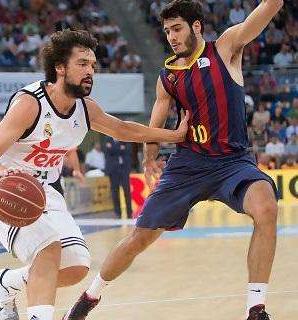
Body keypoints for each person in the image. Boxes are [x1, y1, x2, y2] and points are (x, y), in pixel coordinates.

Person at [67, 1, 282, 319]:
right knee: (141, 236)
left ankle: (256, 308)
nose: (171, 36)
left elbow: (272, 5)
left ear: (197, 27)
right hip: (188, 164)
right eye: (167, 31)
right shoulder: (168, 76)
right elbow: (157, 120)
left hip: (232, 161)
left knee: (267, 207)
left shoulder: (226, 48)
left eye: (177, 28)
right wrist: (149, 155)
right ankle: (89, 296)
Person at [0, 29, 188, 320]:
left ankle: (6, 283)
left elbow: (124, 129)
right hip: (2, 188)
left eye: (93, 66)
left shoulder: (85, 109)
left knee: (75, 265)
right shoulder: (30, 103)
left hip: (44, 190)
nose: (91, 72)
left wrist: (173, 134)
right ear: (60, 67)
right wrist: (3, 176)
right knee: (47, 249)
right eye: (83, 64)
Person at [104, 137, 133, 218]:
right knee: (115, 192)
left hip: (124, 170)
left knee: (127, 191)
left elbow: (128, 150)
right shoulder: (108, 140)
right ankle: (117, 213)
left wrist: (114, 148)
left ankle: (129, 213)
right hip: (113, 171)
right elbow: (108, 150)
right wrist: (120, 148)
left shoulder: (124, 138)